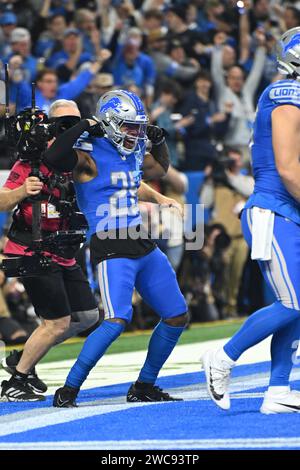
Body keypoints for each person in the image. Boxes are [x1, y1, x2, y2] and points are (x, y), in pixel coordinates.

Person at [42, 92, 188, 407]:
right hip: (109, 242)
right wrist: (84, 125)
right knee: (116, 320)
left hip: (141, 239)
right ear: (108, 123)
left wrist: (159, 143)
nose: (136, 134)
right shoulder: (88, 152)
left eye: (138, 127)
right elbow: (52, 160)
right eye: (129, 127)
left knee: (177, 315)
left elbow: (155, 171)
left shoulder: (130, 151)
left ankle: (144, 384)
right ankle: (69, 388)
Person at [202, 27, 300, 414]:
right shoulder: (287, 93)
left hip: (287, 211)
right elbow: (289, 169)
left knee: (295, 302)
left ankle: (277, 390)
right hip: (272, 210)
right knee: (293, 302)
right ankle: (223, 356)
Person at [0, 101, 100, 402]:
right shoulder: (30, 162)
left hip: (63, 250)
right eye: (64, 124)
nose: (70, 129)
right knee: (58, 323)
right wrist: (22, 191)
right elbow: (3, 200)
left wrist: (157, 198)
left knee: (86, 315)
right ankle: (16, 382)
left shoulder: (80, 160)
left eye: (75, 122)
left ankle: (25, 359)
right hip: (32, 249)